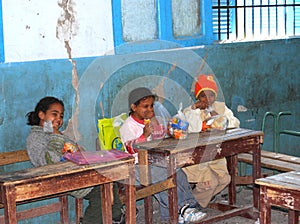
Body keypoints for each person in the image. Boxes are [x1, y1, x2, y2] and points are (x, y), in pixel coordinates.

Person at [26, 96, 125, 224]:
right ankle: (97, 220)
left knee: (109, 177)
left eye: (61, 116)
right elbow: (50, 162)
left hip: (75, 173)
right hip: (58, 178)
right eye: (54, 114)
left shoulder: (57, 135)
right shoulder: (35, 138)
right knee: (100, 192)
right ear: (41, 115)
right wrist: (56, 136)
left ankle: (116, 216)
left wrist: (81, 153)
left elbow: (74, 151)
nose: (58, 119)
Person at [119, 87, 207, 223]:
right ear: (133, 107)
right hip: (136, 168)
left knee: (179, 172)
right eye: (145, 106)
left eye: (151, 106)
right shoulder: (128, 126)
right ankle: (183, 209)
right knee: (164, 178)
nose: (150, 110)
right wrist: (144, 135)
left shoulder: (151, 121)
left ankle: (180, 211)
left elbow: (160, 139)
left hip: (153, 162)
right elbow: (131, 148)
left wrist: (171, 131)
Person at [183, 74, 240, 208]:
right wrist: (195, 111)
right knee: (210, 183)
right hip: (196, 157)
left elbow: (235, 123)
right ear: (198, 97)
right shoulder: (190, 110)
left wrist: (219, 117)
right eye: (203, 96)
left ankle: (196, 203)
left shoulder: (221, 107)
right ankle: (190, 205)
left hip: (216, 155)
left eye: (211, 95)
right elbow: (191, 128)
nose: (207, 99)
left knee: (225, 179)